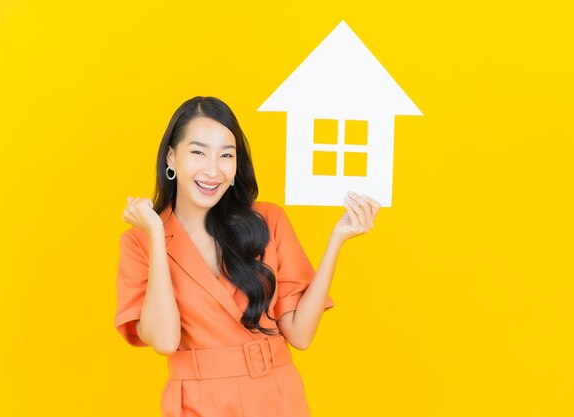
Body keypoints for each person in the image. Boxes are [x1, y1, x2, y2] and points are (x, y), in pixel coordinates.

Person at [114, 96, 380, 417]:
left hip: (278, 397)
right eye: (198, 152)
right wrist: (157, 235)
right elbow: (165, 341)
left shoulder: (267, 221)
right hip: (198, 403)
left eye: (227, 155)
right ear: (171, 157)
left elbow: (300, 334)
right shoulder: (139, 242)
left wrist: (337, 239)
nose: (213, 170)